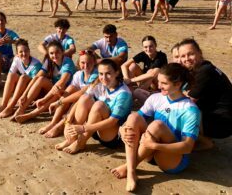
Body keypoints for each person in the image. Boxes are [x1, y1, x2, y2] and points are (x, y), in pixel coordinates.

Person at [111, 63, 201, 192]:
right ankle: (131, 172)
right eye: (158, 81)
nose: (159, 86)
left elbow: (187, 147)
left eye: (164, 83)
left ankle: (130, 166)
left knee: (156, 125)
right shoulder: (156, 98)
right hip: (149, 151)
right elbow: (135, 120)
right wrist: (122, 129)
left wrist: (153, 146)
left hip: (173, 160)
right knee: (133, 117)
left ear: (178, 84)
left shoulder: (190, 110)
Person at [55, 59, 132, 154]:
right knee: (85, 97)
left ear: (116, 73)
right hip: (93, 129)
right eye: (101, 74)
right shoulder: (99, 83)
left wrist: (83, 128)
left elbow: (112, 122)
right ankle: (72, 138)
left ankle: (80, 142)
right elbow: (80, 101)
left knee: (99, 105)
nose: (104, 77)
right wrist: (68, 121)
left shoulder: (123, 93)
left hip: (112, 136)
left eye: (108, 73)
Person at [178, 38, 232, 150]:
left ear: (200, 53)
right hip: (219, 118)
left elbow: (187, 101)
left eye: (191, 54)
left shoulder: (205, 71)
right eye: (182, 56)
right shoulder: (203, 67)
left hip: (222, 124)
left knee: (179, 112)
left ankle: (206, 142)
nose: (186, 59)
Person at [12, 41, 76, 123]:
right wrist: (24, 94)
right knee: (41, 79)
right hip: (54, 89)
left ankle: (32, 114)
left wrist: (44, 99)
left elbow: (62, 82)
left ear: (62, 52)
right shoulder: (49, 61)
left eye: (57, 52)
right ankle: (21, 109)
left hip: (66, 93)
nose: (54, 55)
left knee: (58, 88)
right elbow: (37, 77)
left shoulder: (67, 62)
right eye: (51, 53)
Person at [40, 49, 99, 137]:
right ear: (79, 63)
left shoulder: (96, 75)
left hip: (92, 106)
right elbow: (72, 91)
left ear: (94, 63)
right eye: (83, 63)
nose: (86, 66)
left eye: (89, 62)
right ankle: (54, 122)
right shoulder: (78, 74)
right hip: (82, 103)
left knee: (80, 98)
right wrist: (61, 93)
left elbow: (82, 93)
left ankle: (59, 125)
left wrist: (59, 102)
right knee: (70, 88)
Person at [0, 39, 42, 118]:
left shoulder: (36, 64)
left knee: (23, 77)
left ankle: (10, 107)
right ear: (17, 54)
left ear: (29, 51)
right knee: (11, 75)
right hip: (25, 88)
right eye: (20, 52)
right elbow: (10, 76)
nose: (24, 53)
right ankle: (3, 105)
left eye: (26, 51)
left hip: (34, 92)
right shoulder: (16, 59)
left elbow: (34, 84)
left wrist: (22, 95)